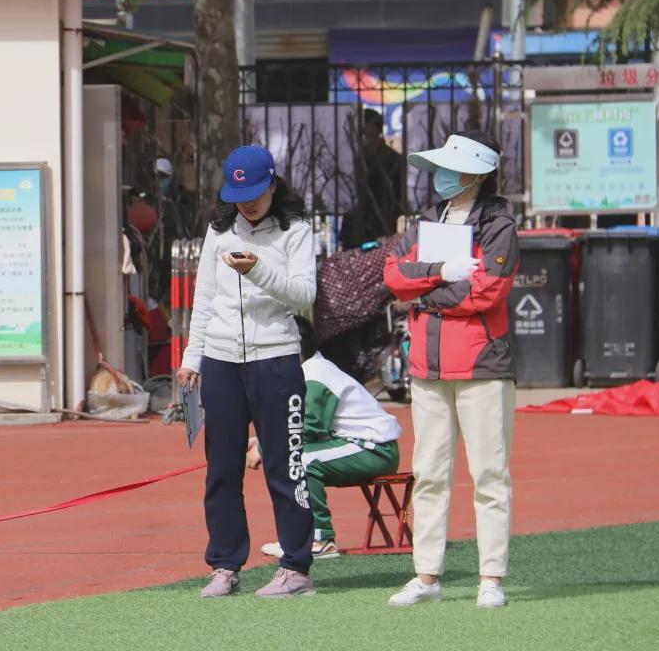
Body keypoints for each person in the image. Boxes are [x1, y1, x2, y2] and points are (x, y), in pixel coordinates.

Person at [382, 130, 518, 609]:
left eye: (448, 168)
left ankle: (492, 578)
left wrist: (423, 291)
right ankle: (427, 575)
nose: (438, 176)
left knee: (489, 474)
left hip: (482, 365)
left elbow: (487, 290)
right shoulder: (424, 223)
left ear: (475, 172)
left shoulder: (499, 223)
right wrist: (440, 275)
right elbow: (393, 276)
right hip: (428, 365)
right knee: (430, 471)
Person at [176, 144, 318, 599]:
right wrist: (191, 359)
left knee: (285, 465)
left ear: (274, 185)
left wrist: (257, 271)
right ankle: (224, 564)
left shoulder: (296, 231)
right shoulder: (218, 232)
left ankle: (296, 567)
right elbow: (204, 301)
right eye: (239, 193)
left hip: (275, 358)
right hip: (220, 361)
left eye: (256, 191)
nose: (248, 202)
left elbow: (303, 297)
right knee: (221, 468)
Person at [246, 316, 402, 561]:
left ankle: (320, 540)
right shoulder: (308, 370)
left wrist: (266, 448)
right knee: (297, 458)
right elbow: (298, 426)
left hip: (374, 449)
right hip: (357, 445)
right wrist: (262, 439)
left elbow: (306, 428)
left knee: (303, 461)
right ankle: (298, 538)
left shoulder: (315, 377)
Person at [341, 109, 407, 248]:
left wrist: (392, 211)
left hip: (382, 216)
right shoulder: (361, 155)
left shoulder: (390, 157)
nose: (362, 128)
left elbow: (398, 190)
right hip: (363, 215)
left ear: (375, 126)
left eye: (366, 123)